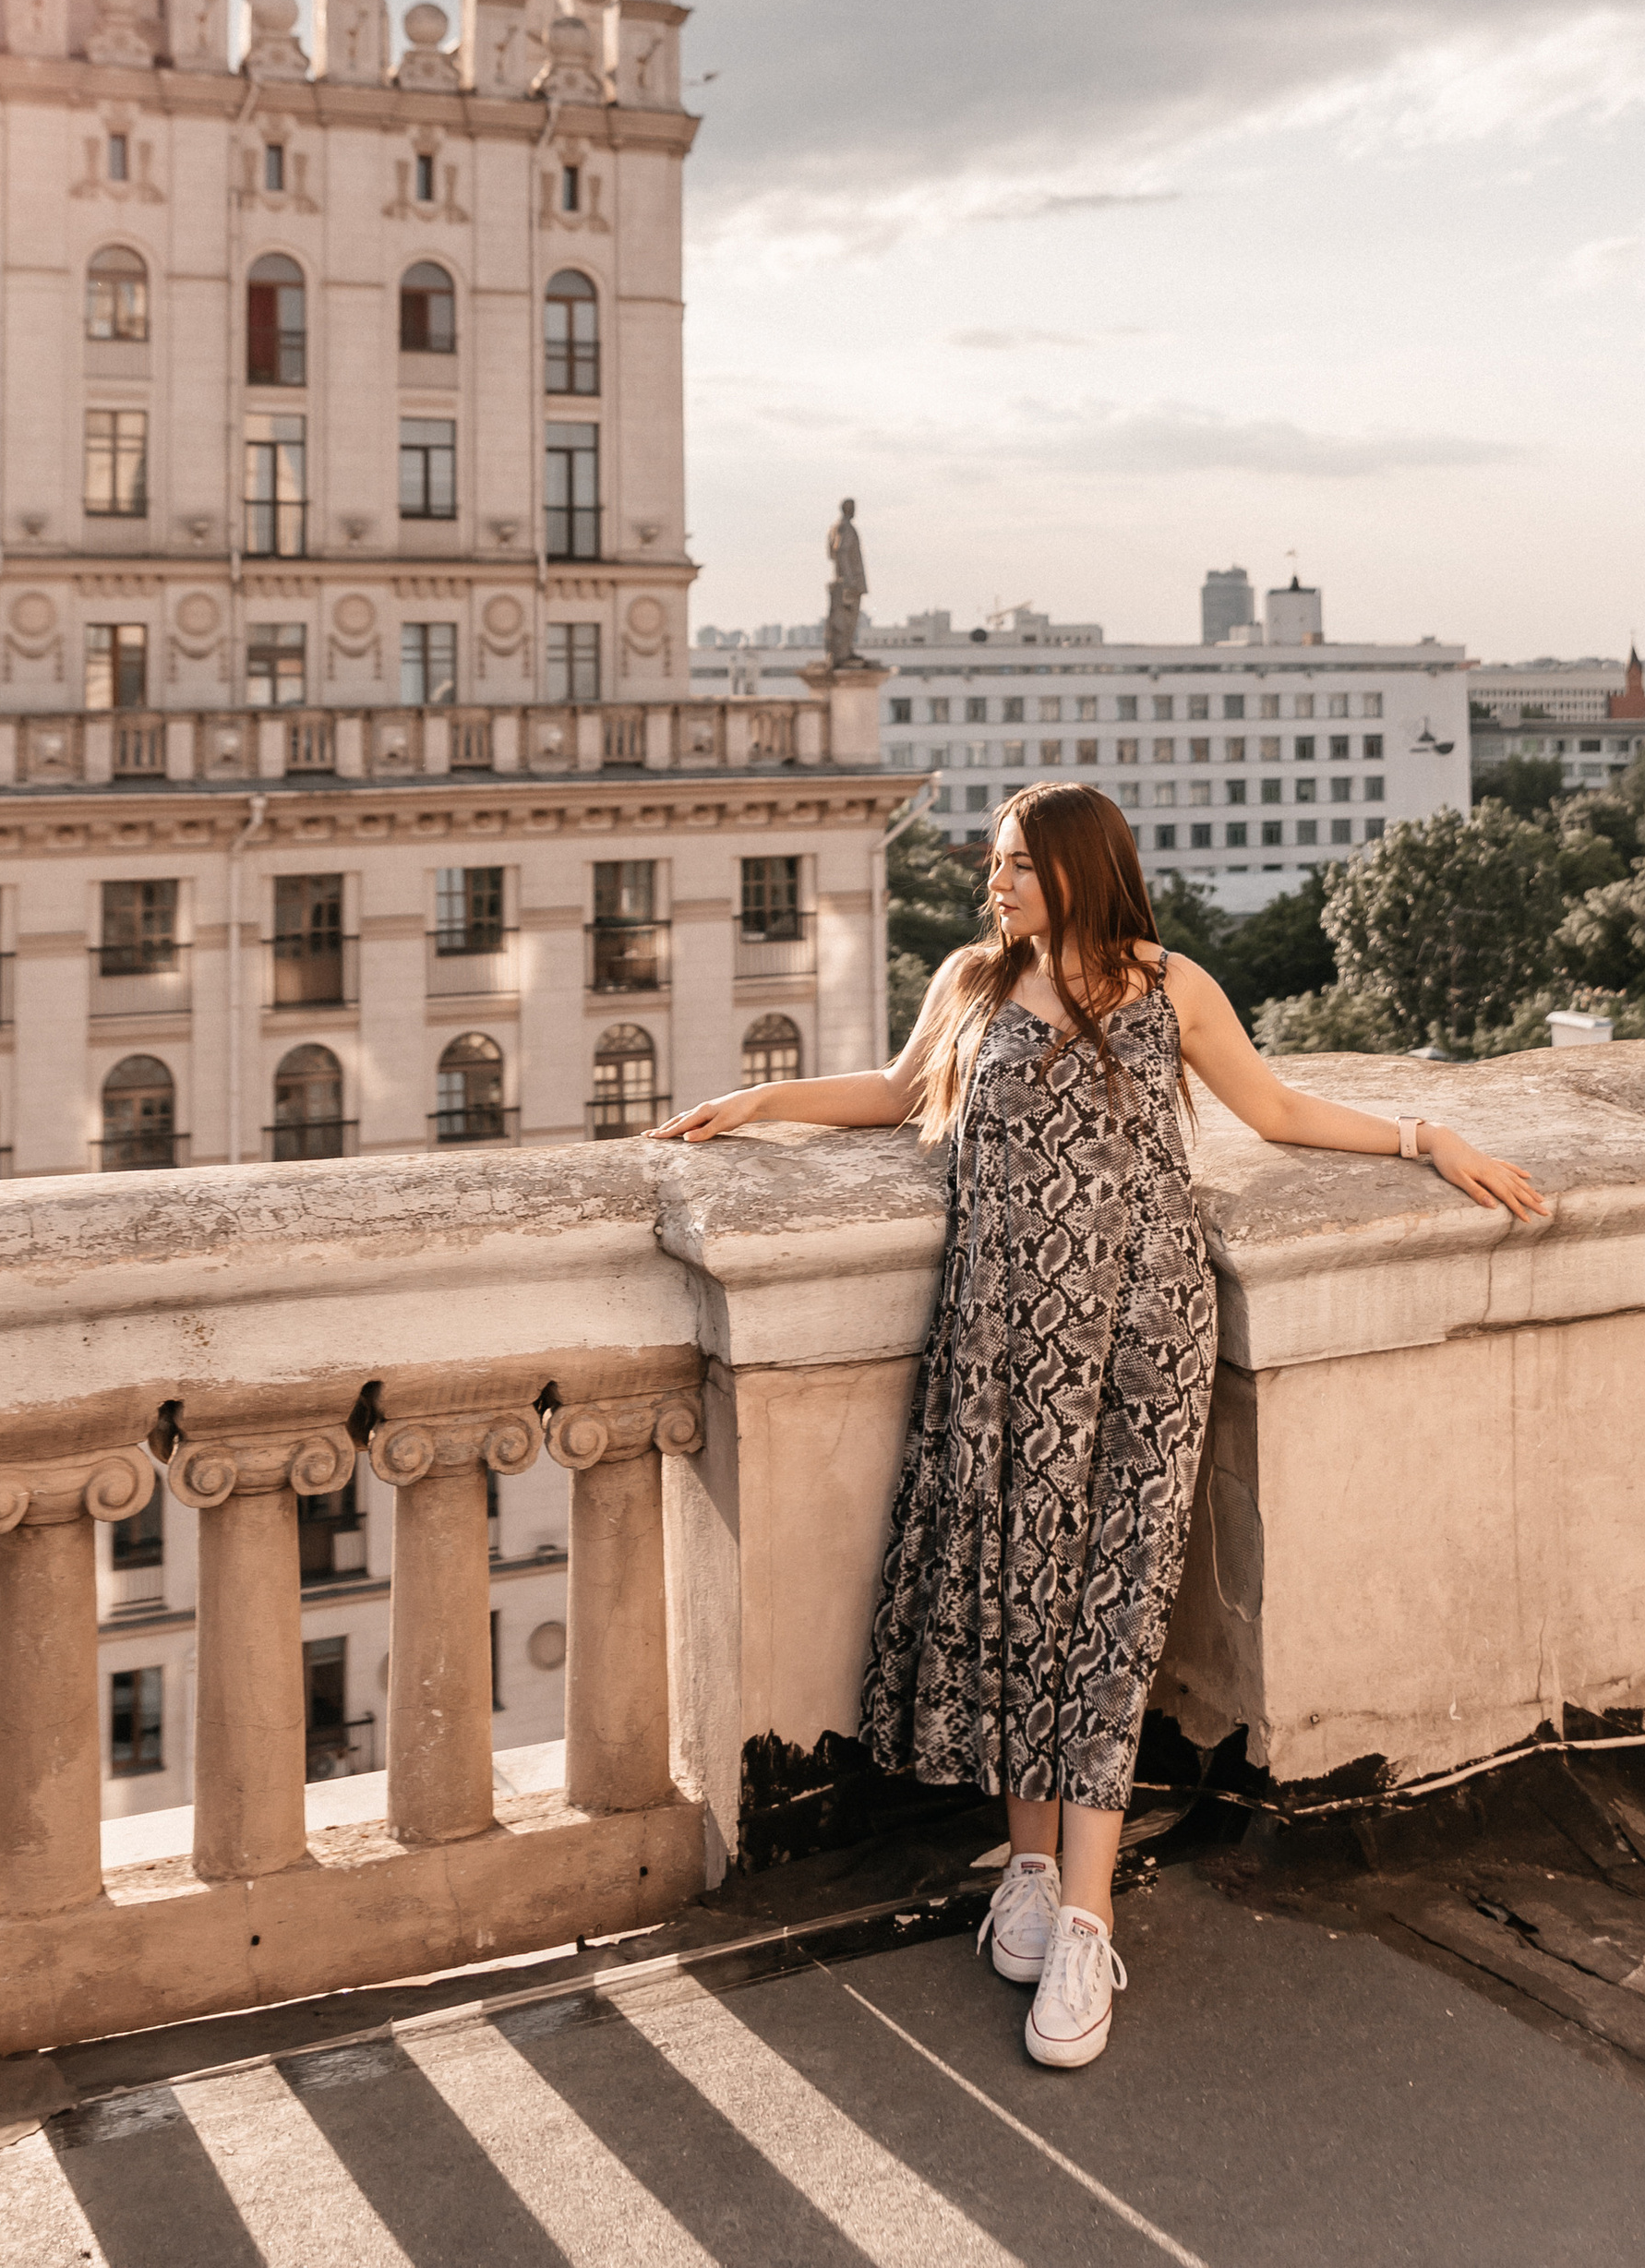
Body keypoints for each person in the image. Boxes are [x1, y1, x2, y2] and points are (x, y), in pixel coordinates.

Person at [652, 779, 1547, 2073]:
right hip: (1000, 1338)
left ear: (1081, 865)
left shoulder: (1171, 986)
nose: (997, 882)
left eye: (1018, 863)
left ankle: (1087, 1918)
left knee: (1112, 1610)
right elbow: (899, 1093)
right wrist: (758, 1103)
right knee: (1016, 1594)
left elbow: (1279, 1112)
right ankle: (1027, 1869)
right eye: (996, 861)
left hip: (1146, 1334)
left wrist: (1424, 1136)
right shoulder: (975, 981)